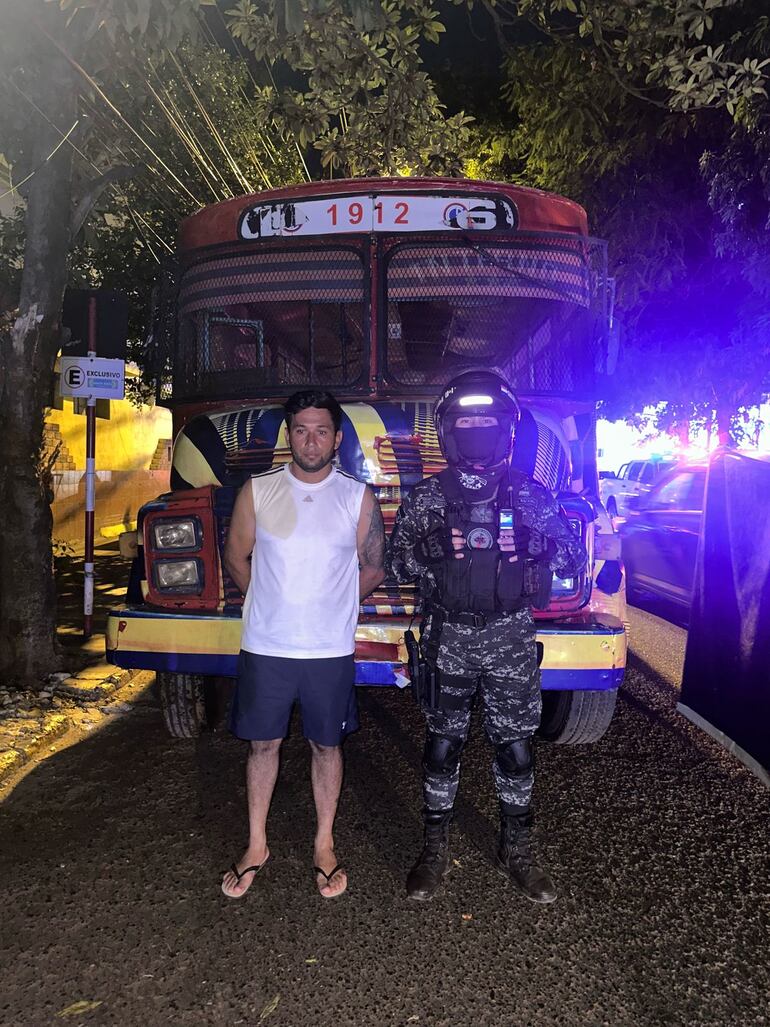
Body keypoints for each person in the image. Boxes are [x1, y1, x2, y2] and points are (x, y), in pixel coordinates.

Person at [387, 369, 587, 904]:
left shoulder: (529, 494)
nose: (476, 430)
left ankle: (516, 849)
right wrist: (428, 556)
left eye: (486, 421)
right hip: (447, 637)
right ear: (449, 431)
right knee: (441, 748)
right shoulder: (428, 497)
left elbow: (573, 555)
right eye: (465, 421)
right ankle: (433, 849)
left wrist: (536, 546)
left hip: (510, 641)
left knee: (516, 750)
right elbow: (394, 561)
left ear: (506, 430)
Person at [221, 389, 385, 900]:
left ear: (336, 439)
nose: (309, 440)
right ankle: (256, 844)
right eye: (300, 429)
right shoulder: (258, 491)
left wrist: (334, 605)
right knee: (262, 744)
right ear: (288, 435)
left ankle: (323, 843)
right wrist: (266, 600)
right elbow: (235, 557)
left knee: (326, 745)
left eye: (320, 430)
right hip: (267, 646)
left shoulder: (357, 497)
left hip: (327, 652)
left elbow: (374, 567)